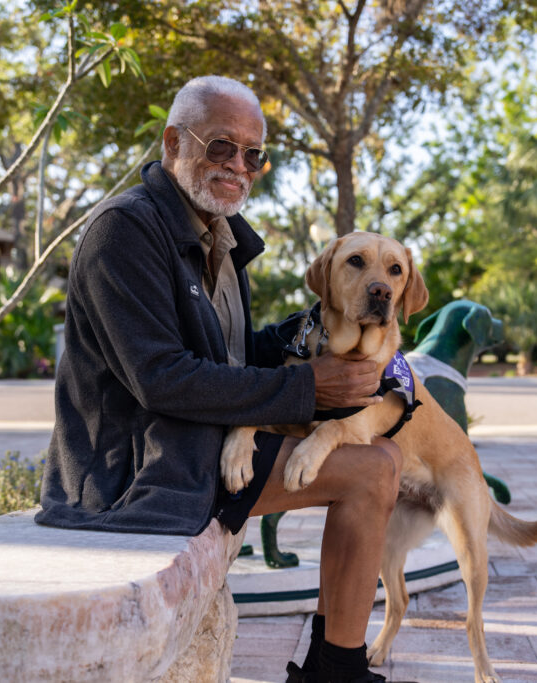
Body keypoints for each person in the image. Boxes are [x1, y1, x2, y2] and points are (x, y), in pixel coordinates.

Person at [36, 75, 403, 683]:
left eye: (253, 154)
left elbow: (227, 356)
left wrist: (303, 339)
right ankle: (337, 673)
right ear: (173, 141)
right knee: (371, 472)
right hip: (134, 475)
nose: (239, 165)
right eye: (221, 147)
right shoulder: (124, 232)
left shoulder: (220, 239)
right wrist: (309, 386)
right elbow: (161, 377)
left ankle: (335, 667)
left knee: (383, 456)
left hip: (193, 450)